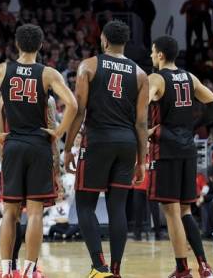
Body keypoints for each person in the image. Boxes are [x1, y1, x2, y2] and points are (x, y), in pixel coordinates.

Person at [0, 24, 77, 278]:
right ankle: (30, 270)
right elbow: (72, 104)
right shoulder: (48, 73)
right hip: (39, 145)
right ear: (40, 46)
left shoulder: (1, 70)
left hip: (13, 144)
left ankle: (7, 270)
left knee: (9, 212)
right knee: (36, 212)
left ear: (17, 45)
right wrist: (59, 132)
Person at [62, 20, 149, 278]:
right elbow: (142, 122)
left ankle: (99, 268)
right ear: (125, 42)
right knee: (117, 207)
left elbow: (78, 111)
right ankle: (116, 270)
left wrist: (67, 147)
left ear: (103, 39)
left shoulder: (89, 66)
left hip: (98, 140)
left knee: (85, 204)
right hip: (127, 143)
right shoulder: (141, 75)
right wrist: (142, 160)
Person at [147, 35, 213, 278]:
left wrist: (148, 130)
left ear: (160, 54)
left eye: (152, 51)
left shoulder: (156, 78)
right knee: (185, 211)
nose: (150, 55)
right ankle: (204, 267)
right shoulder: (189, 77)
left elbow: (140, 106)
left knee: (171, 212)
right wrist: (193, 125)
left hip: (166, 149)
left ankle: (182, 270)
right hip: (188, 147)